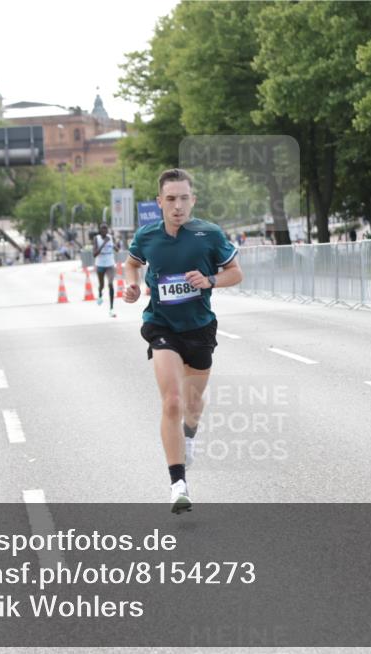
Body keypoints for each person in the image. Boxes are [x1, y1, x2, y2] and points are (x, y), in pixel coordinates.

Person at [123, 168, 243, 514]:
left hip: (200, 328)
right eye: (171, 199)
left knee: (192, 405)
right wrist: (131, 285)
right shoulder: (147, 236)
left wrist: (209, 280)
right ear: (159, 202)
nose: (178, 206)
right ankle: (178, 484)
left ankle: (189, 435)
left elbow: (236, 272)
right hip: (162, 326)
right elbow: (131, 264)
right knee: (173, 401)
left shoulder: (209, 234)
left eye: (184, 198)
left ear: (193, 200)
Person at [92, 223, 118, 317]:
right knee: (102, 285)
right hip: (100, 264)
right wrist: (104, 243)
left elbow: (117, 249)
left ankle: (111, 308)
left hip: (110, 263)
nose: (104, 230)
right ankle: (100, 294)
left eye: (105, 229)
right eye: (102, 229)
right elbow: (94, 254)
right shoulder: (96, 238)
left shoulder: (110, 237)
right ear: (100, 230)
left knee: (110, 284)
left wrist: (114, 245)